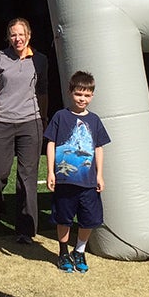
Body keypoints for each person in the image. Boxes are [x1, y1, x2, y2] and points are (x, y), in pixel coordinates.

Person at [0, 18, 48, 243]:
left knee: (27, 177)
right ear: (8, 37)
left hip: (31, 122)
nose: (17, 39)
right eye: (13, 35)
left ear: (29, 35)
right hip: (2, 121)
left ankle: (26, 229)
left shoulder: (40, 60)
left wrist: (44, 119)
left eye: (21, 34)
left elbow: (43, 91)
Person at [44, 71, 111, 273]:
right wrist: (50, 172)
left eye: (87, 95)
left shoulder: (95, 120)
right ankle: (63, 252)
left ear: (92, 95)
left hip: (88, 182)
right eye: (78, 94)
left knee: (89, 219)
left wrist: (99, 174)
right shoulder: (60, 116)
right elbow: (51, 143)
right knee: (63, 218)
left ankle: (79, 250)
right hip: (65, 180)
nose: (82, 99)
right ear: (70, 92)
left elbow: (99, 147)